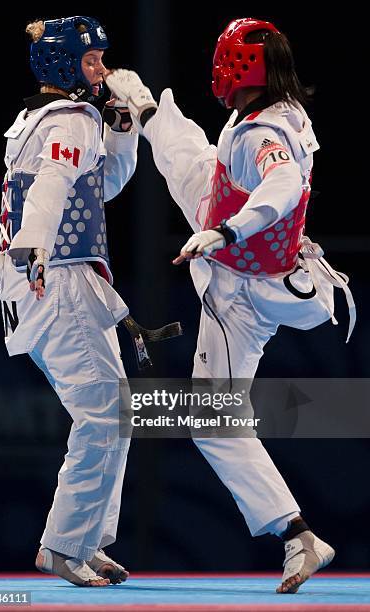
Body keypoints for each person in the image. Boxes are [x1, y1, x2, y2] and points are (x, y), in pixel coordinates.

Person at [104, 18, 355, 593]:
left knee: (211, 422)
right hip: (241, 251)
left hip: (243, 289)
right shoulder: (267, 117)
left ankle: (298, 536)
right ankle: (143, 104)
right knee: (188, 155)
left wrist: (228, 232)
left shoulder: (262, 135)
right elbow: (221, 169)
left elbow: (283, 182)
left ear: (236, 67)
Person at [0, 16, 139, 587]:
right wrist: (35, 248)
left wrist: (125, 127)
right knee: (101, 415)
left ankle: (87, 538)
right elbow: (51, 183)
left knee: (115, 412)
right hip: (56, 277)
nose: (102, 70)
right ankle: (62, 546)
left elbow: (101, 186)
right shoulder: (70, 118)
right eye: (92, 61)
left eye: (101, 59)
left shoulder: (46, 118)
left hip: (52, 278)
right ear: (63, 66)